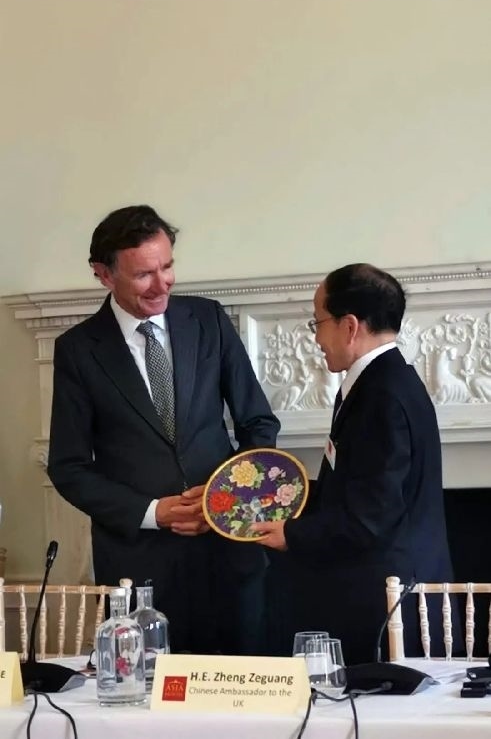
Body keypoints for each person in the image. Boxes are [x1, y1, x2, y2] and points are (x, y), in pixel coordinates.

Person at [47, 204, 280, 655]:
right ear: (103, 274)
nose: (162, 285)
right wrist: (155, 512)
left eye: (167, 267)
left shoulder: (209, 320)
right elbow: (68, 467)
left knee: (242, 686)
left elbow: (258, 423)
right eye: (143, 275)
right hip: (138, 565)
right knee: (149, 692)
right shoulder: (76, 350)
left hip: (229, 552)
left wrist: (225, 501)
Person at [254, 263, 456, 664]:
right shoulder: (386, 382)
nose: (316, 338)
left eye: (318, 323)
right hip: (388, 593)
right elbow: (358, 483)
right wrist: (278, 492)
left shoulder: (381, 396)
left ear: (348, 326)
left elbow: (370, 516)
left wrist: (292, 534)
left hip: (387, 606)